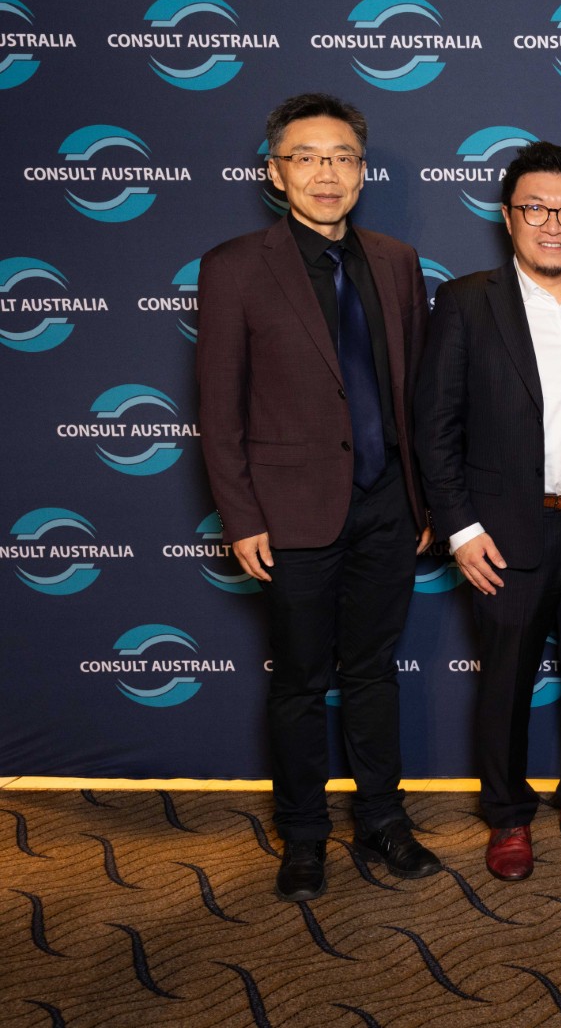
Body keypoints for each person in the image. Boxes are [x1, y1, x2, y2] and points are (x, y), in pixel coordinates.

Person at [196, 92, 439, 902]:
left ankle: (382, 821)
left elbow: (415, 393)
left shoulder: (397, 260)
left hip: (388, 504)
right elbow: (219, 408)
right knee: (300, 681)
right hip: (289, 511)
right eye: (306, 157)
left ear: (362, 173)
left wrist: (424, 500)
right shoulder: (234, 266)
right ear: (275, 173)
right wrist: (241, 516)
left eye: (342, 157)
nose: (326, 173)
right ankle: (302, 837)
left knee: (374, 673)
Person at [414, 142, 561, 881]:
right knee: (506, 684)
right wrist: (461, 528)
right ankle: (508, 817)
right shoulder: (466, 301)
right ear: (508, 217)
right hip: (506, 530)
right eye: (536, 208)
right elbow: (435, 427)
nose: (553, 224)